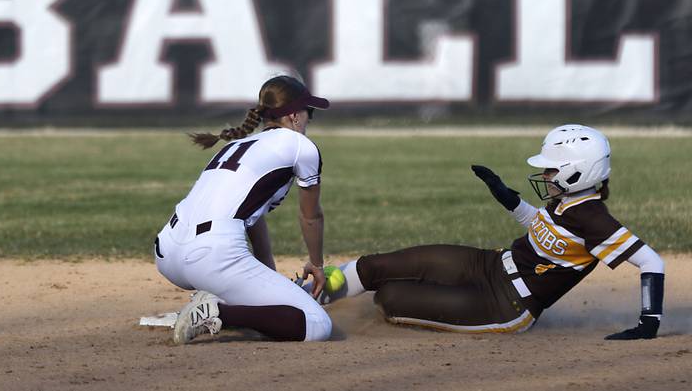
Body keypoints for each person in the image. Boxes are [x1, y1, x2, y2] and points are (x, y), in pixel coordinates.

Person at [310, 125, 665, 339]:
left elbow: (652, 262)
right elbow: (543, 230)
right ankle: (310, 296)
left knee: (389, 297)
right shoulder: (568, 202)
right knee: (376, 267)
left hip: (504, 306)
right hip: (490, 266)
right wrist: (510, 199)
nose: (544, 176)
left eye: (551, 170)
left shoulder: (595, 220)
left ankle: (310, 313)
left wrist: (649, 322)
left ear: (578, 173)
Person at [154, 75, 332, 344]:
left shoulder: (236, 145)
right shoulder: (300, 146)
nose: (309, 120)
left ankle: (212, 304)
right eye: (310, 113)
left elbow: (252, 218)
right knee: (317, 323)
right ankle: (217, 312)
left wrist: (269, 277)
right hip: (211, 256)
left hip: (168, 251)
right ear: (295, 116)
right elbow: (311, 216)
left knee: (264, 295)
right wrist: (316, 264)